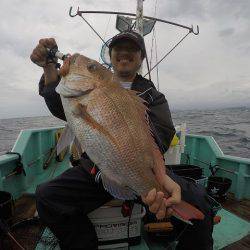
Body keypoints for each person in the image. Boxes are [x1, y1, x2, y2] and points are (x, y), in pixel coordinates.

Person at [31, 31, 214, 250]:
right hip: (94, 170)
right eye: (119, 49)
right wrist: (48, 66)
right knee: (46, 197)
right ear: (110, 56)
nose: (125, 54)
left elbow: (161, 133)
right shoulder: (87, 92)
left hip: (141, 169)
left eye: (133, 50)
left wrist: (157, 178)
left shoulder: (153, 96)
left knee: (201, 202)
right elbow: (58, 103)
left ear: (141, 58)